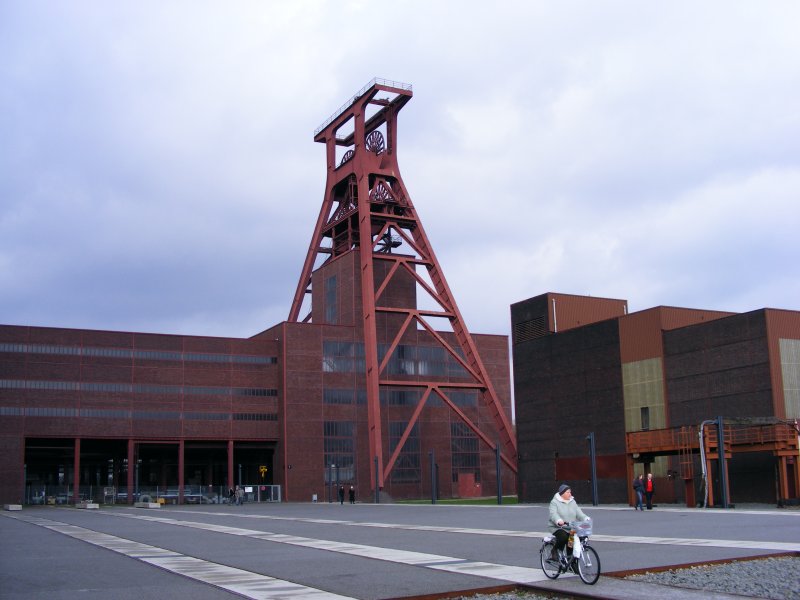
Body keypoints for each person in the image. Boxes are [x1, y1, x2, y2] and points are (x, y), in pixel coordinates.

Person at [547, 483, 589, 559]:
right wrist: (558, 520)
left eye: (570, 492)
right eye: (568, 492)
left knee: (571, 541)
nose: (570, 494)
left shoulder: (572, 502)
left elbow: (579, 512)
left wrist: (585, 518)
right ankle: (554, 550)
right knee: (563, 537)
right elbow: (553, 514)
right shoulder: (554, 502)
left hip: (570, 527)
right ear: (562, 493)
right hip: (557, 527)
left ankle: (570, 561)